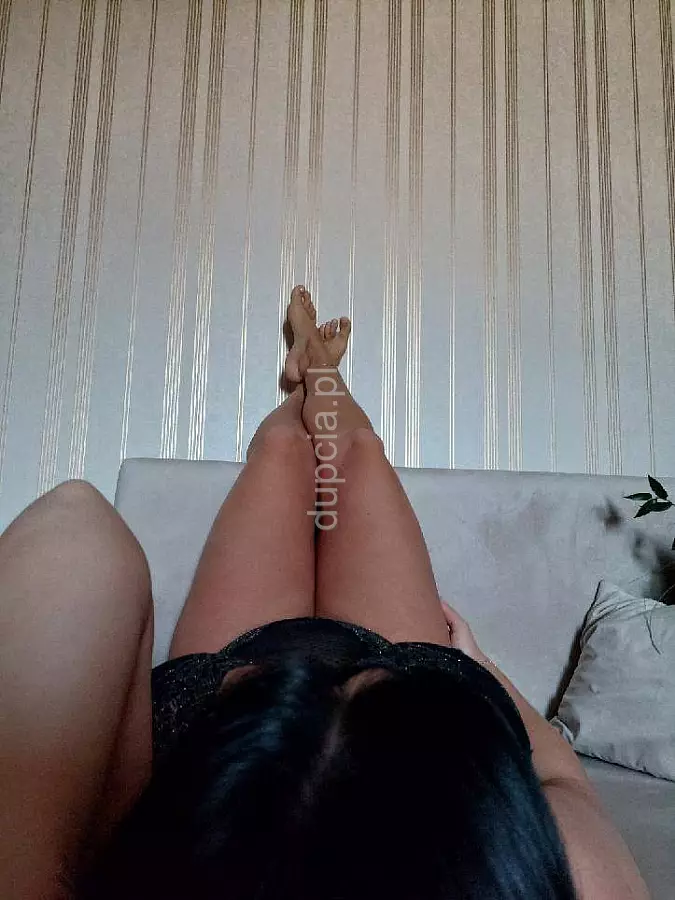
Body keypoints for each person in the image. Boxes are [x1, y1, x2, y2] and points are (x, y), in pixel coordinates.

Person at [0, 286, 648, 900]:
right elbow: (562, 779)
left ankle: (303, 375)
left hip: (221, 708)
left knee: (284, 450)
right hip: (421, 694)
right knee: (360, 449)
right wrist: (481, 666)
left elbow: (73, 525)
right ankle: (320, 372)